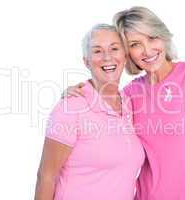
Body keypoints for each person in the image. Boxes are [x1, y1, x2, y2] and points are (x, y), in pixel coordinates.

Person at [63, 7, 185, 200]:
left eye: (152, 38)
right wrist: (77, 92)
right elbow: (99, 112)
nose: (147, 50)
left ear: (162, 36)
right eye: (135, 44)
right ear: (127, 53)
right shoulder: (129, 95)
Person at [35, 24, 145, 200]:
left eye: (114, 49)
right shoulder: (71, 108)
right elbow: (46, 177)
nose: (107, 57)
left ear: (124, 56)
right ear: (86, 61)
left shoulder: (129, 103)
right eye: (97, 51)